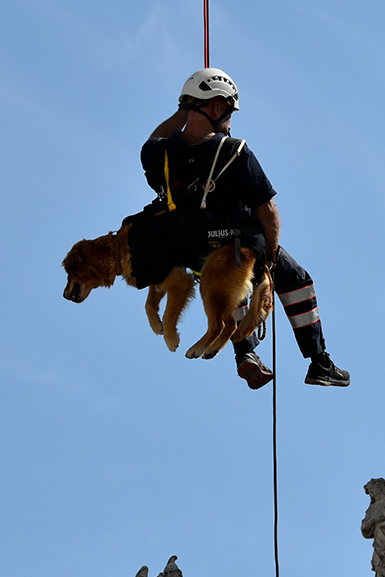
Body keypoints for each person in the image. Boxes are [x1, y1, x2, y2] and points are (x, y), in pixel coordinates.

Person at [138, 68, 350, 390]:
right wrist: (271, 257)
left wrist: (184, 111)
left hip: (188, 250)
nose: (230, 122)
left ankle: (245, 354)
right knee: (291, 277)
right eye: (228, 112)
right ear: (217, 107)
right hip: (233, 243)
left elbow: (155, 139)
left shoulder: (159, 154)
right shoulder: (234, 152)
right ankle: (319, 361)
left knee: (231, 277)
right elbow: (267, 211)